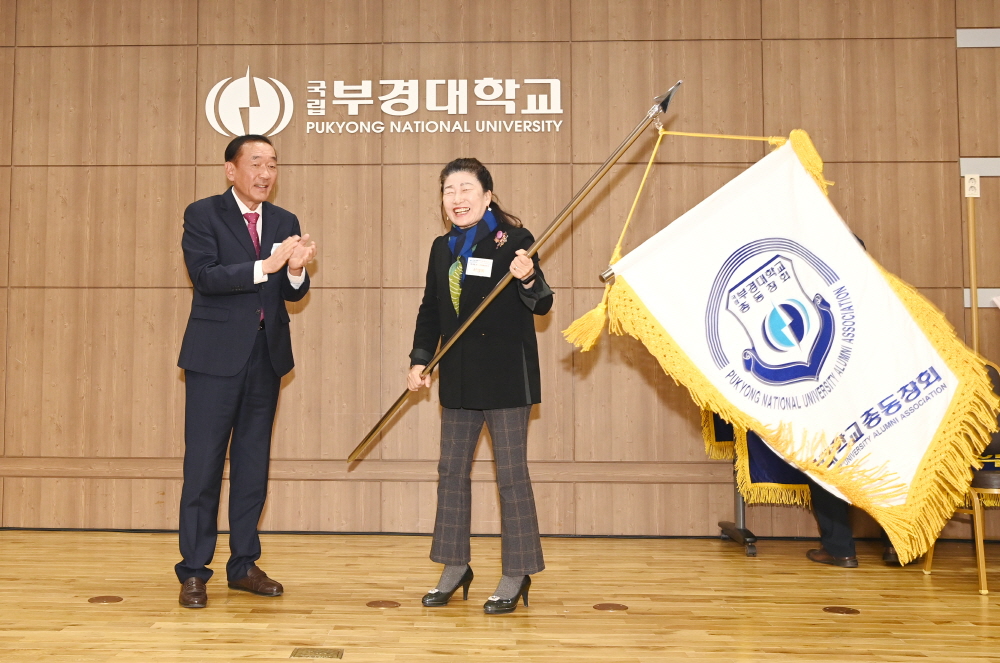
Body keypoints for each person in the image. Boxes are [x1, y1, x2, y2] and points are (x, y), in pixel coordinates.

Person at [175, 134, 317, 608]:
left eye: (272, 164)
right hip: (214, 358)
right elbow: (205, 276)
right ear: (231, 169)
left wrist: (294, 270)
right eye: (255, 163)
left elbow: (292, 293)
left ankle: (243, 566)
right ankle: (194, 571)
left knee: (253, 466)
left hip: (265, 358)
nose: (265, 173)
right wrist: (266, 265)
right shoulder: (203, 214)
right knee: (203, 467)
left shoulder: (284, 220)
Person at [407, 158, 552, 614]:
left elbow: (541, 302)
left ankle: (517, 571)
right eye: (449, 190)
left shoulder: (515, 240)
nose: (457, 198)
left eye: (466, 189)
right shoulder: (442, 247)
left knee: (511, 475)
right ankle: (455, 565)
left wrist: (528, 276)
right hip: (459, 377)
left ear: (487, 196)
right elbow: (431, 308)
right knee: (451, 472)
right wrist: (420, 360)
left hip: (506, 377)